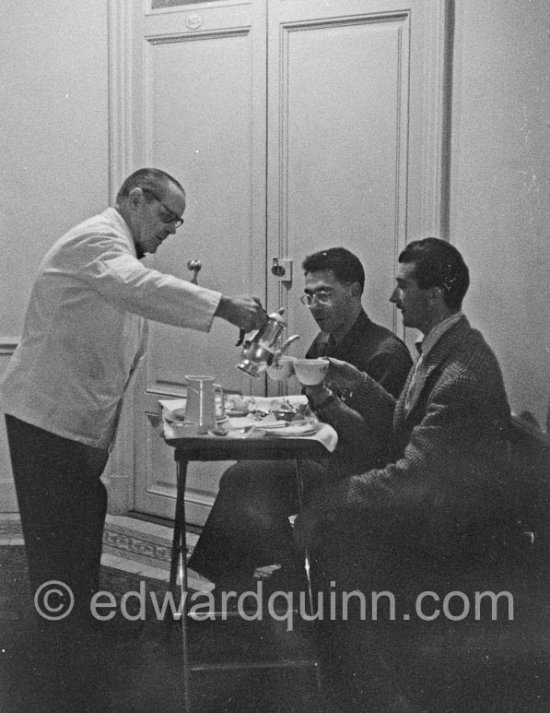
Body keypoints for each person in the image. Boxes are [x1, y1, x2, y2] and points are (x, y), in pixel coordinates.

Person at [0, 168, 266, 629]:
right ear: (137, 198)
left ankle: (75, 623)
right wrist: (224, 306)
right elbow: (141, 290)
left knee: (80, 518)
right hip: (46, 415)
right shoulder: (98, 240)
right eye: (168, 217)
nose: (170, 231)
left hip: (70, 417)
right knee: (60, 532)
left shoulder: (117, 253)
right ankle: (60, 650)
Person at [293, 238, 515, 712]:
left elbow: (415, 473)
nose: (393, 298)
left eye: (402, 286)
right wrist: (360, 384)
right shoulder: (447, 347)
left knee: (332, 525)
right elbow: (409, 425)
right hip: (436, 507)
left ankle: (359, 683)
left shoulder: (461, 371)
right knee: (327, 517)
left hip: (451, 530)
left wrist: (337, 495)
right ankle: (348, 667)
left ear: (434, 295)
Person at [187, 247, 412, 589]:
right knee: (245, 461)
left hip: (357, 468)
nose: (315, 305)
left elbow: (377, 442)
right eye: (309, 295)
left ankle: (246, 576)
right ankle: (275, 567)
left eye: (325, 293)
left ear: (354, 291)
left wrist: (321, 400)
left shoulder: (387, 353)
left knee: (244, 478)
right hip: (319, 455)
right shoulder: (323, 342)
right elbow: (308, 409)